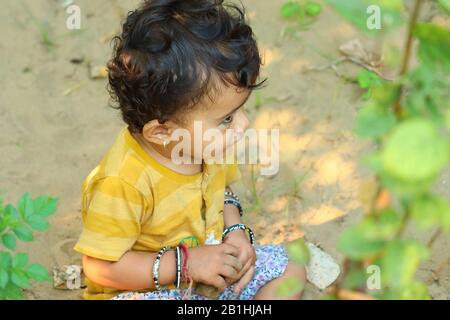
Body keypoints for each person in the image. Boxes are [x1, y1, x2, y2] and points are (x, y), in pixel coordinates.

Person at [73, 0, 305, 300]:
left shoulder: (208, 145)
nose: (243, 125)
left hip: (207, 272)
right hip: (146, 291)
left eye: (239, 111)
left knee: (292, 271)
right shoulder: (123, 181)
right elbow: (100, 267)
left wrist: (234, 232)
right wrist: (187, 265)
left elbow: (222, 191)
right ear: (162, 132)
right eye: (227, 119)